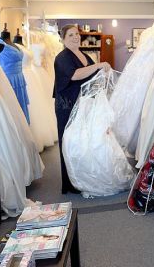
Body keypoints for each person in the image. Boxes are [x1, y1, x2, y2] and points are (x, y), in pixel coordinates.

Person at [54, 24, 110, 194]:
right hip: (68, 105)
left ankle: (81, 176)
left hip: (83, 104)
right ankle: (70, 182)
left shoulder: (84, 54)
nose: (75, 37)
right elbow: (75, 75)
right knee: (69, 142)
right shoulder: (62, 57)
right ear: (63, 39)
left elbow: (92, 76)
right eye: (70, 35)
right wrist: (98, 65)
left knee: (81, 142)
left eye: (77, 34)